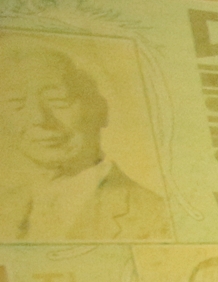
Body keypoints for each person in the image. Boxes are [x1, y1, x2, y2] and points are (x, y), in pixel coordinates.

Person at [0, 40, 170, 242]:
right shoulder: (7, 205)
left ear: (100, 110)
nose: (38, 118)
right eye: (16, 103)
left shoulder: (156, 215)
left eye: (58, 100)